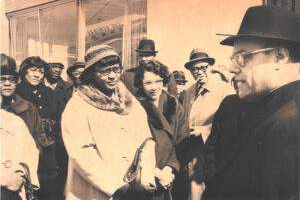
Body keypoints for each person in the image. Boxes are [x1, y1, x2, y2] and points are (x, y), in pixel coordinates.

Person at [203, 5, 300, 200]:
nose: (231, 68)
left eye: (242, 57)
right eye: (233, 58)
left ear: (279, 57)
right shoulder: (272, 109)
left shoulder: (291, 124)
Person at [62, 45, 157, 200]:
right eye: (105, 71)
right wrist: (114, 185)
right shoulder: (77, 106)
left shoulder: (129, 101)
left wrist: (146, 175)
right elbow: (81, 153)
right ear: (91, 74)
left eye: (116, 69)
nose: (113, 76)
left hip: (134, 189)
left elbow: (146, 140)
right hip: (95, 190)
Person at [180, 49, 232, 200]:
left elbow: (231, 121)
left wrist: (204, 130)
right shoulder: (189, 92)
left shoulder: (225, 90)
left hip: (215, 151)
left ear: (210, 66)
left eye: (203, 68)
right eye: (195, 69)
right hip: (193, 153)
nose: (199, 72)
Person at [134, 61, 189, 200]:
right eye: (148, 83)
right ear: (140, 83)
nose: (154, 87)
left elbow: (183, 141)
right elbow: (130, 146)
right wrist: (156, 173)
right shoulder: (134, 107)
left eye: (158, 81)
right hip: (145, 176)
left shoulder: (174, 106)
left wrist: (169, 169)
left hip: (170, 176)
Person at [16, 56, 67, 200]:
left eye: (41, 71)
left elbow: (61, 119)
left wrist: (51, 126)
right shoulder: (16, 93)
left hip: (49, 153)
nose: (37, 75)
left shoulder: (51, 94)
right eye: (33, 70)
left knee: (50, 191)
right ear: (24, 72)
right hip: (23, 151)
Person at [0, 54, 50, 149]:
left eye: (11, 79)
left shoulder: (28, 108)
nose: (7, 83)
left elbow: (41, 141)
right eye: (2, 79)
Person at [0, 106, 39, 200]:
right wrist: (3, 181)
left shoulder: (14, 121)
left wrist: (21, 173)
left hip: (14, 190)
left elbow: (30, 151)